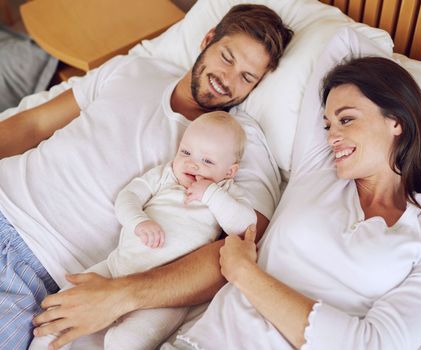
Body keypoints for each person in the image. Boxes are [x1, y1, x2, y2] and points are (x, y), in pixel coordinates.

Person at [0, 4, 293, 350]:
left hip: (36, 267)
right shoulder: (135, 68)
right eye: (227, 57)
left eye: (247, 77)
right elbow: (33, 124)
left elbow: (242, 247)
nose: (227, 79)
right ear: (208, 39)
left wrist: (124, 296)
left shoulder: (239, 143)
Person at [160, 56, 421, 350]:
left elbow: (377, 345)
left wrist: (244, 273)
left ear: (396, 121)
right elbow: (343, 42)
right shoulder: (319, 169)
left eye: (346, 120)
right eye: (328, 125)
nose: (331, 137)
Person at [29, 111, 256, 350]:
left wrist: (210, 194)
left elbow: (244, 227)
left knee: (124, 342)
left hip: (166, 296)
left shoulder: (226, 193)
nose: (192, 163)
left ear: (230, 172)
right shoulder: (165, 175)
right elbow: (128, 197)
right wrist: (139, 221)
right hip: (116, 265)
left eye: (207, 161)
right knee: (58, 310)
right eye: (186, 152)